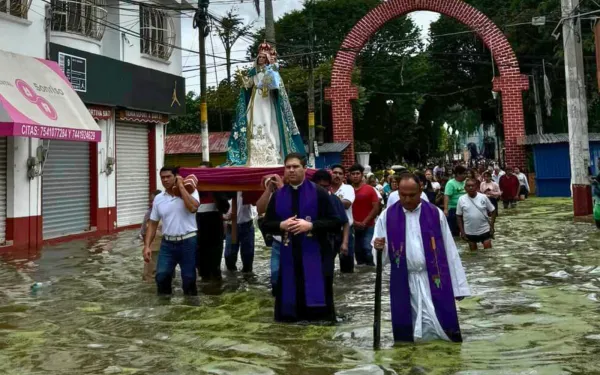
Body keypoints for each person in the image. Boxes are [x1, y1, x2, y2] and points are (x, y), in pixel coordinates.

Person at [372, 173, 470, 343]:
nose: (407, 199)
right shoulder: (387, 216)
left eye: (412, 195)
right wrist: (379, 247)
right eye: (403, 195)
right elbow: (380, 258)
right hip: (404, 281)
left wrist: (458, 287)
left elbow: (450, 251)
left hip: (433, 279)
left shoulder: (435, 214)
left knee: (440, 329)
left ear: (420, 191)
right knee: (408, 334)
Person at [262, 153, 341, 322]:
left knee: (318, 309)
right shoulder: (278, 195)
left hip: (316, 253)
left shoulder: (319, 193)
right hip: (289, 254)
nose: (291, 170)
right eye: (288, 167)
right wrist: (281, 225)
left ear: (305, 169)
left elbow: (335, 222)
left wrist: (311, 226)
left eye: (295, 166)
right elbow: (266, 224)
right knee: (289, 298)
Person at [225, 42, 305, 166]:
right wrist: (244, 82)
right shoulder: (253, 71)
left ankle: (271, 153)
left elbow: (277, 85)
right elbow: (249, 85)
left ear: (266, 59)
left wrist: (270, 76)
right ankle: (253, 156)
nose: (261, 59)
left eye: (263, 57)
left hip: (267, 99)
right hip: (256, 99)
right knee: (252, 123)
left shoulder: (271, 70)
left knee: (269, 123)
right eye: (260, 57)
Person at [143, 167, 200, 296]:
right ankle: (165, 309)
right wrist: (147, 246)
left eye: (168, 176)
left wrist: (181, 187)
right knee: (161, 276)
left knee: (189, 278)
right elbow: (152, 223)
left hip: (188, 241)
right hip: (167, 243)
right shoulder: (158, 198)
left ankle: (191, 309)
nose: (165, 180)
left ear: (176, 176)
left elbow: (193, 208)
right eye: (162, 177)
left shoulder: (191, 190)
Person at [196, 163, 230, 282]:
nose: (202, 175)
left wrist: (214, 190)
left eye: (204, 172)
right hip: (198, 234)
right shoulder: (192, 190)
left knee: (215, 266)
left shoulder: (217, 188)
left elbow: (225, 207)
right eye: (199, 172)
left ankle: (216, 290)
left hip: (215, 233)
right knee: (201, 267)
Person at [312, 169, 350, 273]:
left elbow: (345, 222)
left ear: (330, 186)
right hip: (310, 242)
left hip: (330, 241)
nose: (322, 189)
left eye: (325, 186)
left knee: (326, 271)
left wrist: (345, 243)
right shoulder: (306, 199)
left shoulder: (334, 200)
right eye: (319, 186)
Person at [257, 174, 285, 293]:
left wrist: (281, 188)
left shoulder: (293, 191)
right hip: (277, 242)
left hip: (295, 241)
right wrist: (269, 189)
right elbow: (260, 209)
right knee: (275, 279)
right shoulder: (271, 194)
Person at [350, 164, 380, 266]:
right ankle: (362, 277)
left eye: (357, 173)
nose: (355, 176)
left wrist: (364, 222)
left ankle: (371, 272)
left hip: (369, 225)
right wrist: (354, 222)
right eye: (353, 174)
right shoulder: (347, 190)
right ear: (350, 176)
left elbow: (376, 208)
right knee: (357, 252)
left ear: (362, 175)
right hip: (353, 226)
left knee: (367, 248)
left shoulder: (370, 189)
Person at [456, 178, 496, 250]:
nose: (470, 187)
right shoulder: (461, 199)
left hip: (485, 229)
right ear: (465, 188)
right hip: (469, 231)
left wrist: (492, 226)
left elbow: (493, 211)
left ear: (476, 187)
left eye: (472, 186)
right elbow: (458, 216)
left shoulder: (483, 197)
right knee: (473, 255)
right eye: (468, 186)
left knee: (488, 252)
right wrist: (462, 231)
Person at [331, 164, 356, 273]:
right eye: (335, 173)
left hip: (345, 231)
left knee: (347, 268)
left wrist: (328, 199)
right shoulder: (325, 188)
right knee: (327, 264)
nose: (337, 175)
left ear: (344, 177)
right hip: (329, 231)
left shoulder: (348, 188)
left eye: (340, 174)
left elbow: (347, 204)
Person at [224, 192, 256, 273]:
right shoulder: (224, 185)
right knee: (229, 257)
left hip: (247, 224)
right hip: (231, 225)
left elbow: (255, 202)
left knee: (248, 257)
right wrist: (224, 217)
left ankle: (247, 280)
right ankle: (232, 282)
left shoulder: (247, 185)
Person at [140, 189, 162, 282]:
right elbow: (144, 231)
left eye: (154, 200)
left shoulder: (155, 212)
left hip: (161, 246)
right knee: (151, 273)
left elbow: (144, 231)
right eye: (151, 201)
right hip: (153, 247)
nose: (152, 203)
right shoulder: (150, 212)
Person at [444, 166, 467, 236]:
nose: (465, 175)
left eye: (466, 173)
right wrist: (446, 209)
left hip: (465, 208)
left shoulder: (466, 182)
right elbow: (446, 196)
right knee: (454, 231)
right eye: (463, 174)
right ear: (457, 174)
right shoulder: (450, 183)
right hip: (453, 209)